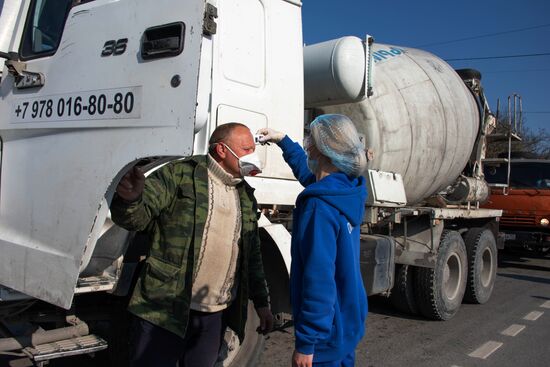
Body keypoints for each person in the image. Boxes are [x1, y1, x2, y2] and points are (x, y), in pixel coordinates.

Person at [110, 122, 273, 367]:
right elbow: (136, 219)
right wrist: (131, 199)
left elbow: (252, 257)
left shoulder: (245, 195)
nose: (254, 155)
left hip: (214, 316)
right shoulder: (180, 174)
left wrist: (262, 304)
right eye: (247, 148)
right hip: (165, 310)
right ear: (221, 150)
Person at [258, 114, 368, 367]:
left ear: (319, 148)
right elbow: (311, 176)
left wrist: (308, 342)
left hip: (325, 335)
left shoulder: (318, 207)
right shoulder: (347, 189)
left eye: (310, 137)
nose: (306, 141)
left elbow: (319, 278)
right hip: (346, 320)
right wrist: (283, 140)